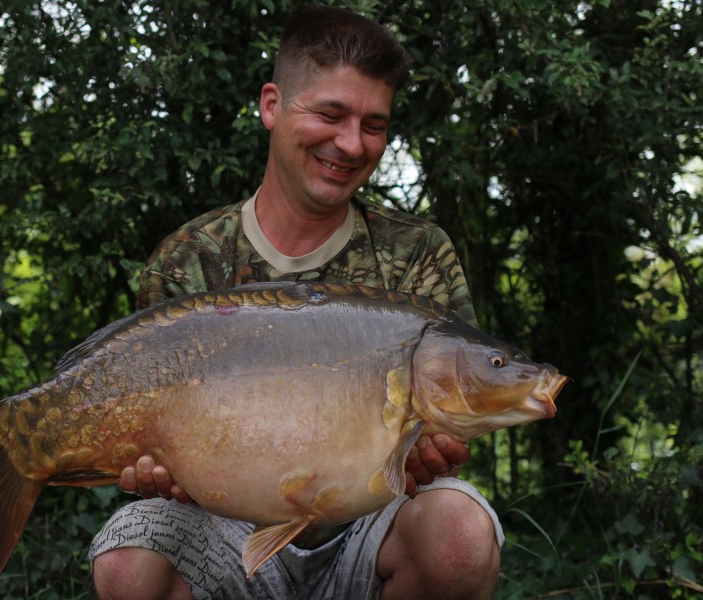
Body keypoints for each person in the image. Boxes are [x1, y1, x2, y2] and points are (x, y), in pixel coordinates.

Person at [89, 5, 501, 599]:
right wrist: (154, 465)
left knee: (459, 532)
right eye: (331, 114)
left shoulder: (417, 253)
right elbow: (156, 459)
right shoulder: (190, 259)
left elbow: (450, 428)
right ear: (272, 105)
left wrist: (436, 450)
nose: (352, 143)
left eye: (374, 124)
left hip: (372, 526)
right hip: (225, 527)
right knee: (128, 561)